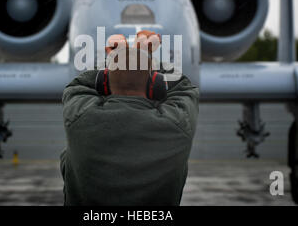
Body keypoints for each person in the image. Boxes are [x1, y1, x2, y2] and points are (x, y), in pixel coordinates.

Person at [60, 30, 199, 205]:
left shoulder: (80, 117)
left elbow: (78, 84)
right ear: (153, 83)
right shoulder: (177, 125)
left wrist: (116, 58)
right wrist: (145, 56)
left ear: (104, 80)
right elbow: (184, 87)